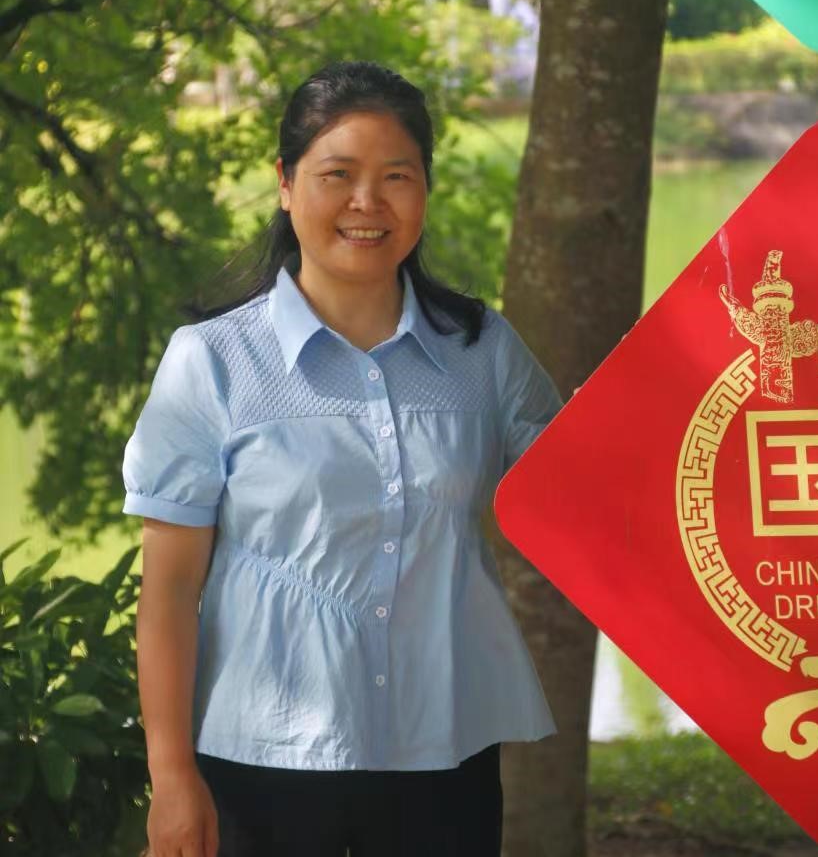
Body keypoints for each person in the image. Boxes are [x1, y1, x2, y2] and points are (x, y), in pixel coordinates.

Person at [122, 60, 562, 857]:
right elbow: (171, 589)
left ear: (425, 189)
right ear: (285, 183)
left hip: (445, 756)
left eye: (397, 176)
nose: (368, 202)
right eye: (338, 174)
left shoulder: (484, 352)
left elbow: (583, 490)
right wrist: (172, 773)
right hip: (260, 764)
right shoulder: (212, 362)